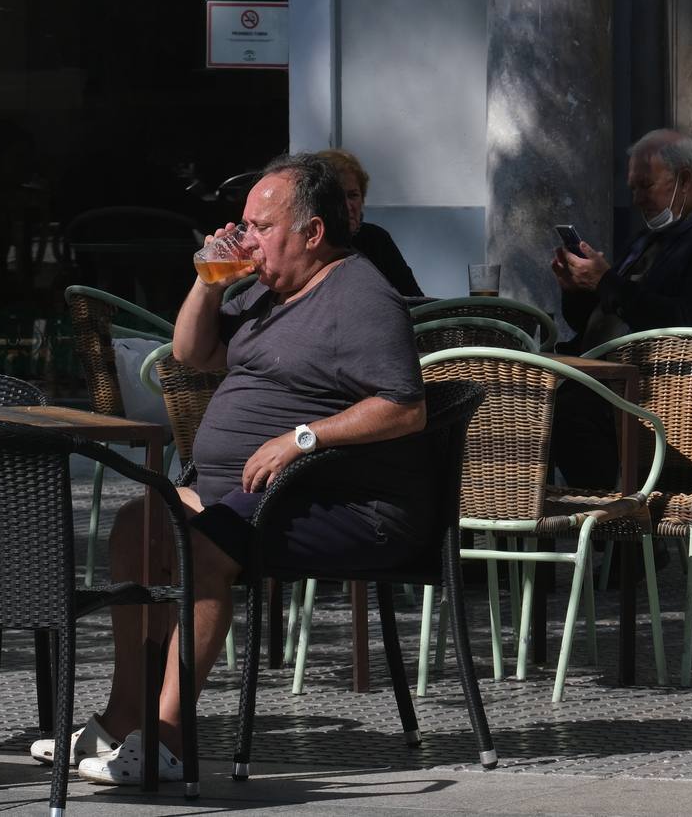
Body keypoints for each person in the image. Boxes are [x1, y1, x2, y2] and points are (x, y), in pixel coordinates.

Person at [30, 152, 434, 784]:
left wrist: (303, 437)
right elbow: (193, 353)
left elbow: (405, 408)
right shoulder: (263, 290)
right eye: (242, 223)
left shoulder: (360, 294)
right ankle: (124, 717)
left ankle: (169, 739)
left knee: (202, 544)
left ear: (312, 233)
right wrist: (209, 280)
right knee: (137, 527)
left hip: (342, 502)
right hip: (235, 493)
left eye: (260, 226)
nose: (244, 237)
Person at [549, 127, 692, 487]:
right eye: (632, 187)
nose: (636, 198)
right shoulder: (656, 235)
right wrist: (580, 288)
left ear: (684, 179)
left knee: (563, 411)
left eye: (645, 186)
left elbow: (690, 328)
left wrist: (607, 281)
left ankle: (618, 525)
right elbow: (606, 318)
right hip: (618, 382)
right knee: (525, 399)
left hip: (670, 396)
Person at [317, 147, 424, 297]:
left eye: (353, 195)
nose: (347, 206)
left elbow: (413, 299)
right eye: (337, 197)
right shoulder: (309, 246)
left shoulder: (376, 240)